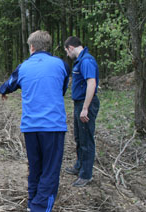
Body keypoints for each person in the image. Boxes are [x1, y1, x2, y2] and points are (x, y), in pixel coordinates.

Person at [0, 31, 70, 212]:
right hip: (53, 126)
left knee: (36, 166)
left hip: (30, 127)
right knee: (50, 168)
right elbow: (62, 89)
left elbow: (8, 85)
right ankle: (39, 211)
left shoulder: (23, 67)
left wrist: (3, 91)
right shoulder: (62, 65)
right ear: (47, 46)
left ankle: (33, 202)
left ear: (31, 47)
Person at [64, 36, 100, 187]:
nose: (67, 55)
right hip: (79, 103)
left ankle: (86, 175)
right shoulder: (81, 60)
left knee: (86, 139)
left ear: (71, 48)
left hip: (86, 105)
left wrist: (85, 108)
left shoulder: (86, 61)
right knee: (79, 137)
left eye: (66, 51)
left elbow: (92, 83)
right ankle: (79, 166)